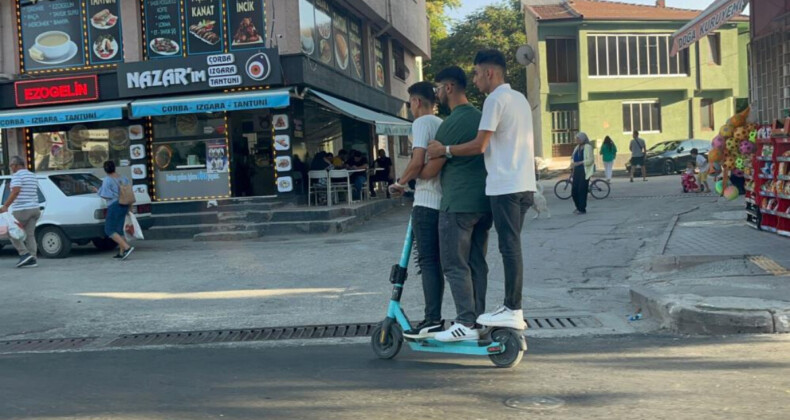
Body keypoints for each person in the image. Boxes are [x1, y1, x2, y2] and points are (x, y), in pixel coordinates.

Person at [427, 49, 534, 333]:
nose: (474, 80)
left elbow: (479, 145)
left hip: (504, 186)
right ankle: (509, 307)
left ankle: (511, 308)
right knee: (509, 246)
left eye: (476, 73)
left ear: (489, 72)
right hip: (525, 185)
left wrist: (445, 150)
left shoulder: (494, 100)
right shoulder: (519, 99)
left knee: (508, 247)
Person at [418, 66, 493, 342]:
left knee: (453, 264)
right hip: (484, 204)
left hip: (457, 204)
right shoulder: (480, 117)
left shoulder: (451, 123)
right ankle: (479, 320)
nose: (436, 94)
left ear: (448, 87)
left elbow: (431, 170)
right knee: (477, 263)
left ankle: (464, 322)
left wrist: (413, 174)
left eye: (437, 88)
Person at [390, 81, 445, 339]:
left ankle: (432, 319)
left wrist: (400, 183)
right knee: (435, 262)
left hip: (426, 203)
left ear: (417, 102)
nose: (410, 107)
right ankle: (434, 317)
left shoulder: (421, 123)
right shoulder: (442, 123)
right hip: (442, 203)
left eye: (410, 102)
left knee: (427, 262)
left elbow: (416, 160)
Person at [0, 156, 40, 268]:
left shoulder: (17, 175)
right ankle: (32, 259)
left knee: (11, 230)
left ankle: (24, 254)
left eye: (11, 166)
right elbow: (24, 189)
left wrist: (5, 206)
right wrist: (11, 188)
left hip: (22, 209)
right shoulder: (32, 175)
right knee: (30, 235)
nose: (11, 168)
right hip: (35, 208)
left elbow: (16, 191)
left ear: (17, 165)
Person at [97, 161, 134, 260]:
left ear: (105, 170)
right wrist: (130, 207)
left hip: (114, 205)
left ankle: (126, 248)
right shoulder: (124, 178)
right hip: (124, 204)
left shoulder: (107, 180)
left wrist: (97, 191)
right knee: (119, 229)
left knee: (109, 230)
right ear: (114, 168)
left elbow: (105, 195)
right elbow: (129, 192)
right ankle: (121, 252)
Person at [570, 132, 594, 215]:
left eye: (578, 139)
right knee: (574, 191)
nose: (577, 140)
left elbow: (590, 160)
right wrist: (572, 165)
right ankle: (578, 206)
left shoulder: (588, 147)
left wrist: (580, 163)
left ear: (583, 139)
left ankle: (582, 208)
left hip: (584, 171)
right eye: (576, 139)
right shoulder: (577, 148)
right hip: (576, 171)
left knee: (582, 190)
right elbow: (573, 158)